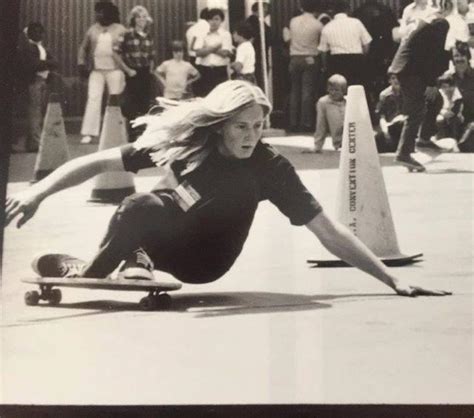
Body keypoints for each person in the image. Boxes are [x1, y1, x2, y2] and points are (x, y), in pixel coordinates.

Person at [5, 80, 451, 298]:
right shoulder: (186, 143)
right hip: (165, 239)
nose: (250, 137)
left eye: (257, 127)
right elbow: (97, 161)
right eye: (241, 127)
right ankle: (127, 262)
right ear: (220, 126)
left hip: (208, 261)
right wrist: (37, 191)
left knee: (144, 203)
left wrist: (392, 278)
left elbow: (327, 230)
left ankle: (95, 271)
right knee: (140, 203)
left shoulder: (270, 167)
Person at [388, 0, 453, 171]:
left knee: (435, 100)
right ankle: (404, 153)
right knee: (416, 111)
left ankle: (423, 138)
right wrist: (431, 82)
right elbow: (434, 54)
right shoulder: (441, 22)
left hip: (406, 66)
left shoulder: (427, 19)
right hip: (411, 69)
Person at [78, 1, 127, 145]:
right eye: (97, 12)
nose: (97, 14)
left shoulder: (120, 29)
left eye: (100, 11)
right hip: (97, 71)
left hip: (115, 71)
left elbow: (127, 48)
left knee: (116, 100)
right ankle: (89, 133)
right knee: (93, 99)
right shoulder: (93, 29)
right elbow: (83, 47)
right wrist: (81, 63)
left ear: (108, 12)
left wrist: (127, 69)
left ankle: (118, 131)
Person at [15, 22, 57, 153]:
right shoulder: (29, 48)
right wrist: (48, 64)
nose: (39, 34)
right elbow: (34, 65)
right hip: (34, 82)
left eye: (41, 31)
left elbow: (54, 62)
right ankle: (35, 142)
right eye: (35, 31)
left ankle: (32, 142)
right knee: (35, 112)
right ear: (29, 33)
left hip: (41, 81)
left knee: (37, 111)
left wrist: (46, 64)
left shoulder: (40, 47)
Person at [114, 5, 155, 142]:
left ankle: (144, 136)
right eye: (138, 17)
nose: (141, 20)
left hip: (145, 72)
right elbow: (115, 53)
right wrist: (127, 70)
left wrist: (150, 70)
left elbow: (151, 56)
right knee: (132, 105)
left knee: (145, 104)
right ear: (133, 19)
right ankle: (132, 137)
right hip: (133, 72)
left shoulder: (148, 35)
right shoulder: (126, 34)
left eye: (144, 17)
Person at [353, 0, 398, 111]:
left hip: (366, 50)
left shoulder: (359, 11)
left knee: (367, 79)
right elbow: (392, 31)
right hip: (383, 50)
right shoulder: (385, 10)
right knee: (383, 77)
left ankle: (370, 107)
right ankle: (382, 104)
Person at [318, 0, 372, 88]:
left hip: (336, 61)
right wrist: (362, 57)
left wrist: (325, 66)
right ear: (348, 10)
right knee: (356, 88)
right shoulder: (356, 23)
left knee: (339, 89)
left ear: (333, 11)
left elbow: (323, 51)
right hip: (356, 59)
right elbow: (367, 43)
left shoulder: (327, 27)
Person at [288, 0, 323, 132]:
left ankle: (293, 122)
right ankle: (306, 123)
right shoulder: (318, 24)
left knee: (294, 90)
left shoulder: (293, 21)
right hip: (310, 58)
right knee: (307, 91)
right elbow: (321, 43)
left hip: (294, 58)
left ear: (302, 7)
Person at [193, 8, 233, 96]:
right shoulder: (202, 34)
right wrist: (216, 47)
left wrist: (207, 48)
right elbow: (198, 53)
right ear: (207, 20)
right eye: (210, 19)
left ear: (221, 20)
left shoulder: (225, 35)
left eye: (216, 19)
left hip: (220, 71)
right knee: (204, 96)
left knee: (221, 97)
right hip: (204, 70)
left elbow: (225, 53)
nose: (213, 22)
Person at [304, 74, 347, 153]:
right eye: (331, 89)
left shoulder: (349, 100)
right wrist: (318, 145)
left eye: (336, 90)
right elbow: (321, 125)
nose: (333, 93)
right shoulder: (324, 102)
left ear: (343, 91)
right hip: (340, 143)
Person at [450, 42, 474, 151]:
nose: (459, 59)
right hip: (452, 123)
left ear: (468, 57)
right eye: (456, 56)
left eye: (462, 55)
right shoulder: (446, 78)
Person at [375, 73, 406, 153]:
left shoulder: (407, 92)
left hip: (404, 124)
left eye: (399, 78)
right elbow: (381, 116)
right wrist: (385, 131)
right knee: (379, 139)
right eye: (393, 78)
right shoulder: (384, 95)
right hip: (390, 125)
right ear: (389, 80)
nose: (396, 80)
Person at [245, 1, 273, 90]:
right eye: (265, 10)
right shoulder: (257, 24)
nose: (267, 13)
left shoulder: (248, 22)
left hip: (255, 56)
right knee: (259, 84)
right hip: (258, 57)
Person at [436, 73, 465, 140]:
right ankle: (440, 141)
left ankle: (454, 140)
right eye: (443, 87)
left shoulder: (457, 95)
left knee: (454, 120)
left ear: (453, 86)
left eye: (448, 86)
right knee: (439, 120)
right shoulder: (439, 93)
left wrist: (447, 114)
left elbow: (455, 111)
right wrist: (442, 113)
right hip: (441, 114)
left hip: (455, 116)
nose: (446, 89)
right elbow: (436, 107)